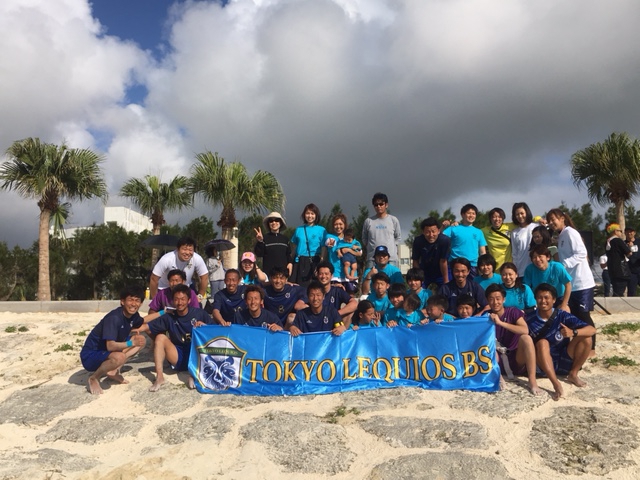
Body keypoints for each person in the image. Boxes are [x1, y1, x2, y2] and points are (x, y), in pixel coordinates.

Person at [133, 284, 213, 392]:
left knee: (201, 338)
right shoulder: (169, 317)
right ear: (172, 301)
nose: (179, 302)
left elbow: (215, 331)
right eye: (176, 299)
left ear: (189, 300)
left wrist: (205, 326)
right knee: (160, 337)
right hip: (177, 355)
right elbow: (146, 327)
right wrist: (128, 329)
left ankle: (194, 375)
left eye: (183, 299)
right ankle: (159, 377)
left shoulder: (199, 313)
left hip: (198, 357)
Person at [526, 283, 596, 400]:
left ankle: (573, 374)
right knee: (542, 342)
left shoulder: (562, 315)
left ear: (554, 300)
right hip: (542, 362)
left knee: (586, 338)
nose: (543, 301)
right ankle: (556, 383)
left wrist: (573, 332)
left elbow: (592, 330)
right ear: (535, 299)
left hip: (564, 357)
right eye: (539, 298)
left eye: (546, 298)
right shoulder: (529, 318)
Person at [80, 286, 147, 395]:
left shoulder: (133, 315)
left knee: (141, 339)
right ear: (122, 301)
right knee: (120, 356)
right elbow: (110, 346)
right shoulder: (114, 318)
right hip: (91, 355)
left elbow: (144, 321)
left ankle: (114, 371)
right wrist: (131, 343)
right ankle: (94, 378)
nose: (134, 304)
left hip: (107, 352)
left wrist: (163, 312)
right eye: (130, 300)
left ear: (141, 303)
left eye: (137, 300)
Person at [546, 208, 597, 350]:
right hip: (571, 284)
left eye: (553, 219)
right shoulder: (561, 235)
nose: (551, 223)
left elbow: (581, 253)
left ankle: (591, 347)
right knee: (575, 316)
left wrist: (563, 265)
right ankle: (581, 345)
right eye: (549, 221)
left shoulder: (570, 232)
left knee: (584, 315)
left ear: (562, 218)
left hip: (582, 283)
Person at [485, 284, 541, 396]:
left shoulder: (513, 312)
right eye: (491, 299)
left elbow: (525, 330)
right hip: (497, 361)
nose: (495, 302)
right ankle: (498, 377)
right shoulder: (485, 316)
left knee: (526, 338)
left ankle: (532, 380)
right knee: (485, 345)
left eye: (498, 298)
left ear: (504, 299)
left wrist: (500, 323)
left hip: (516, 358)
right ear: (487, 301)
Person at [149, 237, 209, 301]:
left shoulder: (197, 258)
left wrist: (200, 296)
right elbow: (154, 279)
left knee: (197, 305)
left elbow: (205, 277)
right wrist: (155, 299)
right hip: (165, 288)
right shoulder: (167, 259)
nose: (187, 253)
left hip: (186, 287)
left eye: (190, 250)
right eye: (184, 249)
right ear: (177, 249)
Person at [443, 204, 487, 278]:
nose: (471, 215)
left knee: (472, 285)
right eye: (469, 213)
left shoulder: (479, 232)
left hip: (473, 266)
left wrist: (483, 266)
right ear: (462, 214)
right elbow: (439, 237)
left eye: (473, 213)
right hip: (455, 264)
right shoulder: (454, 228)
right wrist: (443, 227)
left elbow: (482, 252)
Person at [523, 245, 572, 311]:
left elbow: (568, 285)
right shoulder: (529, 269)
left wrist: (564, 305)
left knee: (565, 310)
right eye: (534, 257)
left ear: (548, 257)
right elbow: (526, 287)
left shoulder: (557, 267)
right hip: (539, 299)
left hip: (557, 298)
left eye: (540, 256)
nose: (537, 259)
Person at [291, 203, 327, 287]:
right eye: (307, 213)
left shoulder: (321, 230)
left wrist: (321, 261)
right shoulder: (299, 229)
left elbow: (323, 247)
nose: (310, 216)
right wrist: (290, 260)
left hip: (314, 259)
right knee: (297, 287)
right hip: (299, 260)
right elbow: (294, 246)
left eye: (312, 213)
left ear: (316, 215)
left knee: (314, 287)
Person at [362, 192, 402, 267]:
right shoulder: (368, 221)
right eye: (376, 205)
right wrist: (371, 247)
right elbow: (364, 238)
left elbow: (398, 237)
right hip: (372, 259)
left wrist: (391, 247)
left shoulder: (393, 220)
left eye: (381, 204)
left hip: (391, 260)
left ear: (386, 205)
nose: (379, 206)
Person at [314, 261, 358, 326]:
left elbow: (354, 303)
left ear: (332, 276)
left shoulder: (337, 290)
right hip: (317, 322)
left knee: (350, 313)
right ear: (317, 275)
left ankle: (343, 332)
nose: (323, 276)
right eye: (321, 274)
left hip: (334, 322)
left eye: (326, 274)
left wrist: (336, 313)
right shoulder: (312, 291)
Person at [411, 217, 450, 287]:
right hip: (424, 271)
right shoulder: (418, 241)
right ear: (423, 232)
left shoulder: (444, 240)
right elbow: (415, 260)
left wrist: (446, 281)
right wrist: (417, 277)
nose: (431, 235)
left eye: (433, 231)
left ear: (438, 231)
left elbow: (443, 261)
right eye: (427, 232)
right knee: (418, 289)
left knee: (447, 288)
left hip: (441, 271)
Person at [254, 211, 293, 277]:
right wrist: (260, 241)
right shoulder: (264, 238)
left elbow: (288, 254)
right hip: (269, 275)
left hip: (283, 275)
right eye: (271, 221)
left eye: (277, 220)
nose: (274, 222)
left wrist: (290, 263)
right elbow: (259, 254)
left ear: (280, 223)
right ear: (268, 224)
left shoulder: (285, 239)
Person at [511, 203, 539, 276]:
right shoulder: (514, 232)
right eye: (517, 214)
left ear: (527, 212)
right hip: (521, 270)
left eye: (522, 213)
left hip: (537, 267)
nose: (520, 216)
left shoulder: (536, 227)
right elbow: (514, 253)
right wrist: (515, 269)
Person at [605, 223, 632, 296]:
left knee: (616, 290)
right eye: (620, 231)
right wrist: (630, 247)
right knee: (620, 292)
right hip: (621, 270)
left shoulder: (608, 242)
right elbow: (628, 252)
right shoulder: (618, 240)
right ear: (615, 231)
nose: (621, 233)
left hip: (612, 270)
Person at [625, 226, 640, 296]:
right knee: (631, 292)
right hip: (631, 272)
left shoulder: (638, 242)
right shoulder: (623, 243)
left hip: (638, 267)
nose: (629, 233)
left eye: (631, 232)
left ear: (634, 233)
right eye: (627, 232)